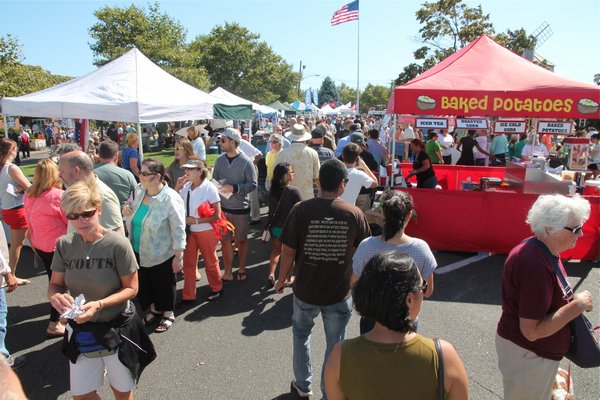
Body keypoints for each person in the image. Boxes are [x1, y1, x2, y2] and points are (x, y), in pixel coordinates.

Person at [48, 179, 155, 400]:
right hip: (81, 330)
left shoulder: (117, 244)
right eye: (72, 216)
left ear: (99, 210)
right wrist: (55, 297)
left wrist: (98, 304)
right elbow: (55, 284)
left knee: (122, 391)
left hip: (116, 328)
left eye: (86, 213)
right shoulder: (64, 245)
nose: (80, 221)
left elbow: (132, 289)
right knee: (82, 394)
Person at [275, 158, 370, 399]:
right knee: (336, 345)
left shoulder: (301, 210)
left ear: (318, 182)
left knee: (300, 335)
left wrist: (281, 278)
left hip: (305, 289)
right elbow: (364, 250)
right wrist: (355, 281)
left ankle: (303, 384)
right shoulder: (354, 213)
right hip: (339, 292)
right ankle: (330, 391)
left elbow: (288, 251)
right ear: (343, 184)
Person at [324, 252, 469, 400]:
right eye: (422, 286)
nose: (424, 291)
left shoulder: (340, 356)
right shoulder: (443, 357)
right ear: (410, 299)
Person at [496, 194, 593, 400]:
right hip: (529, 356)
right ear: (550, 228)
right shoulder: (535, 264)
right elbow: (531, 331)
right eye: (575, 229)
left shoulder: (540, 249)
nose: (581, 233)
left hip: (532, 355)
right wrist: (578, 305)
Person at [352, 190, 436, 333]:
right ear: (409, 215)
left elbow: (353, 283)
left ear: (383, 214)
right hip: (406, 317)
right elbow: (428, 291)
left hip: (372, 317)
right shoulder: (421, 248)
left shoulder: (367, 246)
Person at [122, 159, 186, 333]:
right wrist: (126, 207)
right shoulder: (139, 190)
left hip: (161, 253)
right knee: (145, 284)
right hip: (137, 249)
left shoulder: (171, 199)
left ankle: (168, 313)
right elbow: (128, 204)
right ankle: (154, 310)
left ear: (157, 177)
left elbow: (179, 230)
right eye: (140, 173)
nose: (140, 176)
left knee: (163, 284)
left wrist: (178, 256)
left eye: (144, 173)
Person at [23, 159, 68, 336]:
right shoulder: (58, 196)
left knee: (54, 282)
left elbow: (28, 222)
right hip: (58, 247)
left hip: (39, 244)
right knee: (59, 285)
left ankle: (61, 316)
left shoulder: (29, 195)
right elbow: (69, 222)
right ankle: (54, 323)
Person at [212, 128, 257, 282]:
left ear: (233, 142)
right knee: (225, 241)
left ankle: (242, 268)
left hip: (241, 209)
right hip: (223, 209)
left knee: (242, 240)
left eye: (223, 140)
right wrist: (220, 188)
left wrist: (235, 188)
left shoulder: (246, 161)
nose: (220, 143)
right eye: (220, 140)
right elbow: (215, 181)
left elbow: (253, 184)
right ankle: (228, 271)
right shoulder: (219, 160)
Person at [176, 159, 223, 305]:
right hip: (190, 232)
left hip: (205, 231)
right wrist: (177, 187)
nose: (186, 172)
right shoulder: (186, 186)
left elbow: (217, 216)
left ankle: (217, 288)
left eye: (190, 169)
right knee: (188, 264)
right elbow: (175, 201)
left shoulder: (209, 188)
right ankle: (188, 295)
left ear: (200, 171)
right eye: (186, 169)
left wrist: (195, 221)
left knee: (210, 261)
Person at [58, 149, 124, 235]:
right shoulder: (77, 192)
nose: (59, 175)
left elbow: (117, 235)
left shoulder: (103, 195)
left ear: (76, 170)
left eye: (62, 171)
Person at [0, 139, 32, 286]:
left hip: (7, 209)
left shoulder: (3, 168)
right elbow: (29, 187)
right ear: (10, 151)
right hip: (17, 209)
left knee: (22, 242)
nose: (17, 150)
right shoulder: (11, 168)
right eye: (15, 148)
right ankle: (11, 274)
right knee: (17, 245)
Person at [266, 163, 302, 286]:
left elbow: (271, 211)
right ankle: (287, 279)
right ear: (284, 176)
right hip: (290, 229)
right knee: (289, 254)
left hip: (276, 227)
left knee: (275, 251)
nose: (293, 174)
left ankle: (271, 274)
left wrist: (267, 225)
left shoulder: (272, 191)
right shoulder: (294, 191)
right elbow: (300, 210)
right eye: (291, 172)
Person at [275, 124, 320, 201]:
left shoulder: (283, 153)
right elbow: (317, 176)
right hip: (307, 196)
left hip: (288, 196)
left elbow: (276, 174)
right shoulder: (313, 153)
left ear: (292, 137)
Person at [94, 140, 137, 206]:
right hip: (122, 214)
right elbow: (137, 196)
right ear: (117, 155)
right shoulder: (127, 174)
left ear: (99, 155)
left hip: (95, 213)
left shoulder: (88, 173)